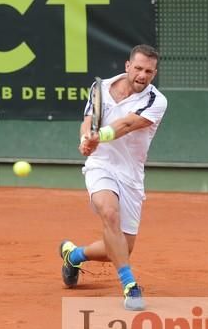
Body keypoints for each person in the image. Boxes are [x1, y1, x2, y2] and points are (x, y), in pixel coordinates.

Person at [59, 44, 167, 311]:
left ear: (154, 73)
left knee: (119, 249)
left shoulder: (156, 101)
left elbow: (127, 124)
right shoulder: (100, 88)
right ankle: (130, 286)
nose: (143, 75)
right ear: (127, 66)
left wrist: (99, 136)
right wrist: (86, 138)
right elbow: (88, 120)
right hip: (101, 165)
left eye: (149, 72)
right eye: (139, 68)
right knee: (109, 213)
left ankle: (74, 255)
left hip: (130, 175)